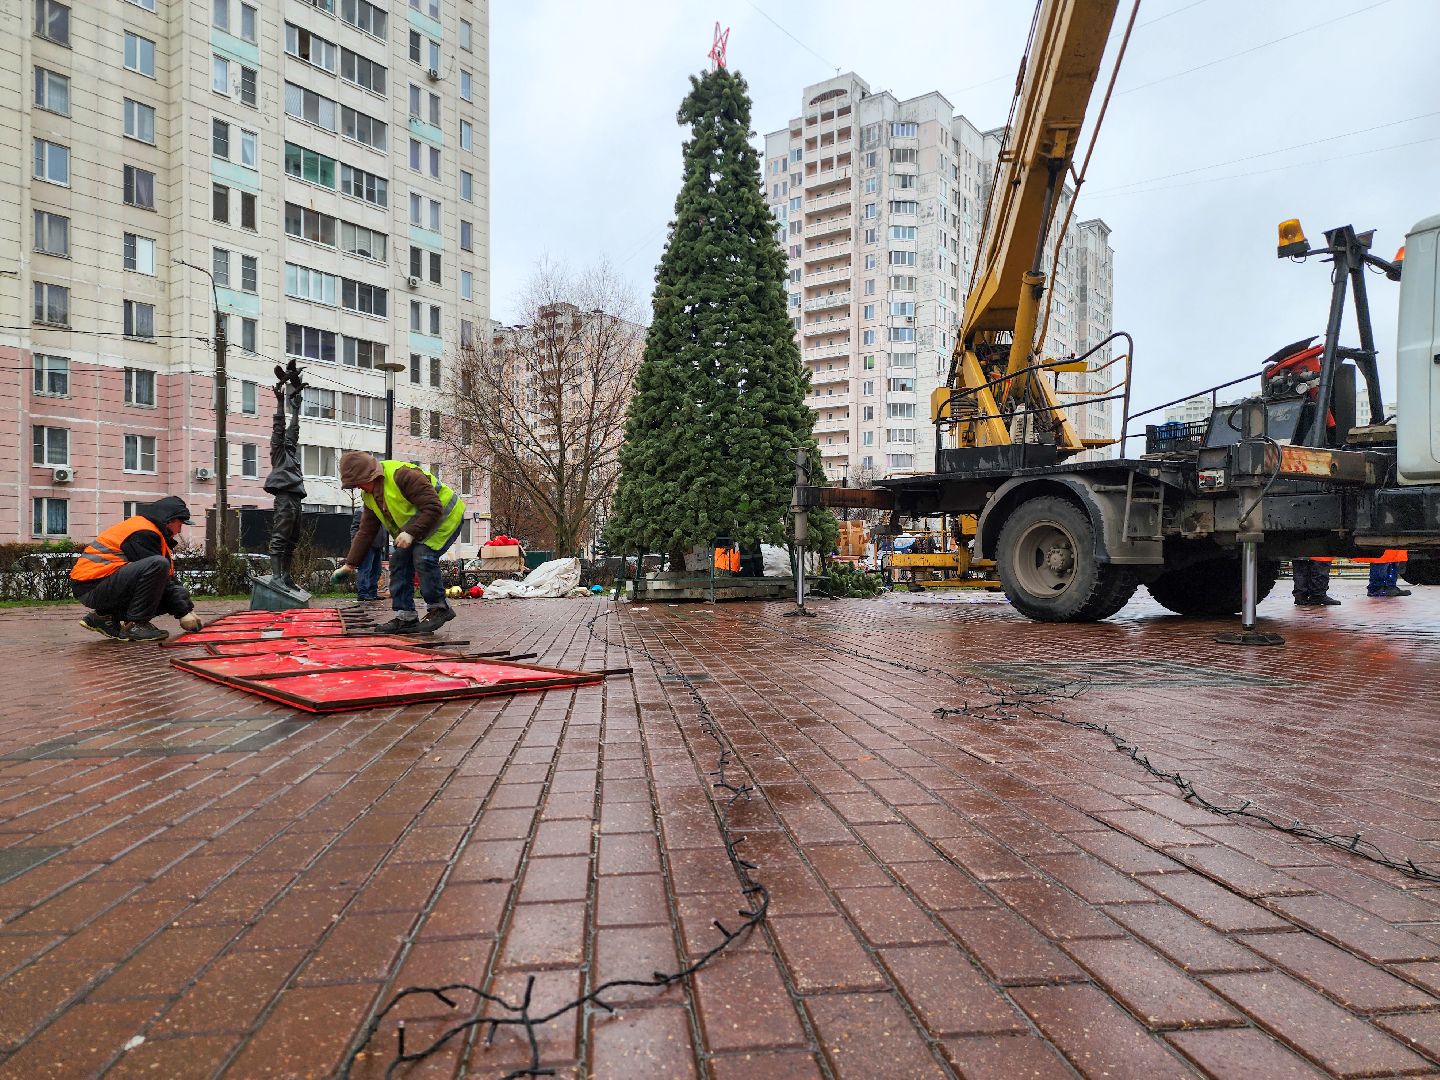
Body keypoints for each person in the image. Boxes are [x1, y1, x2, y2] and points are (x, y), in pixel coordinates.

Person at [334, 452, 466, 634]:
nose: (358, 488)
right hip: (419, 524)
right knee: (398, 561)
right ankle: (406, 618)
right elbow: (365, 532)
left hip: (445, 516)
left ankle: (439, 609)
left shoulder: (402, 475)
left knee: (423, 555)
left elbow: (433, 507)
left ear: (370, 475)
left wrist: (410, 533)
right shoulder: (370, 497)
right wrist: (349, 565)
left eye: (358, 483)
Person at [70, 496, 203, 642]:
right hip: (92, 586)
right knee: (158, 565)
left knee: (164, 584)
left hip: (99, 584)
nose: (180, 530)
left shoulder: (152, 533)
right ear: (169, 520)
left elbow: (166, 581)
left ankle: (105, 617)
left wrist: (188, 608)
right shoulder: (143, 533)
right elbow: (160, 578)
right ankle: (137, 625)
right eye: (180, 524)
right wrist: (183, 612)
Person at [265, 361, 307, 591]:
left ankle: (286, 576)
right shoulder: (279, 452)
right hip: (284, 497)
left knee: (292, 540)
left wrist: (296, 410)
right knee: (280, 537)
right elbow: (279, 428)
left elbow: (293, 431)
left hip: (296, 498)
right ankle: (276, 577)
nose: (289, 439)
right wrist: (281, 403)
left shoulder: (291, 452)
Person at [349, 504, 387, 601]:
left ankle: (372, 592)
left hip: (378, 545)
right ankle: (363, 593)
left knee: (376, 571)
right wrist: (357, 545)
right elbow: (354, 529)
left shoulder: (379, 511)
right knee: (365, 569)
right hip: (366, 545)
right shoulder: (361, 511)